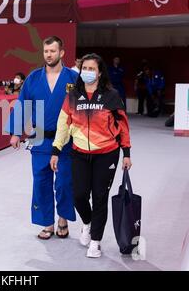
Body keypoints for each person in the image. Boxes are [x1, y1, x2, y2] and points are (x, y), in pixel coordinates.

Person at [50, 53, 132, 258]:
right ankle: (87, 223)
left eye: (92, 69)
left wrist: (126, 153)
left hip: (106, 154)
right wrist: (56, 149)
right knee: (78, 195)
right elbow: (63, 125)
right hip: (79, 154)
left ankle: (96, 241)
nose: (87, 72)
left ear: (100, 72)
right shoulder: (72, 96)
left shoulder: (111, 96)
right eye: (84, 68)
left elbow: (123, 126)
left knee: (100, 197)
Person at [6, 36, 78, 240]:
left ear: (61, 53)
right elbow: (22, 104)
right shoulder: (34, 77)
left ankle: (63, 219)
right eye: (46, 51)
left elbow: (82, 110)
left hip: (66, 141)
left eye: (53, 51)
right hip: (39, 138)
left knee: (65, 182)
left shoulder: (73, 78)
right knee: (41, 182)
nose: (49, 55)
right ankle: (47, 223)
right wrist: (15, 132)